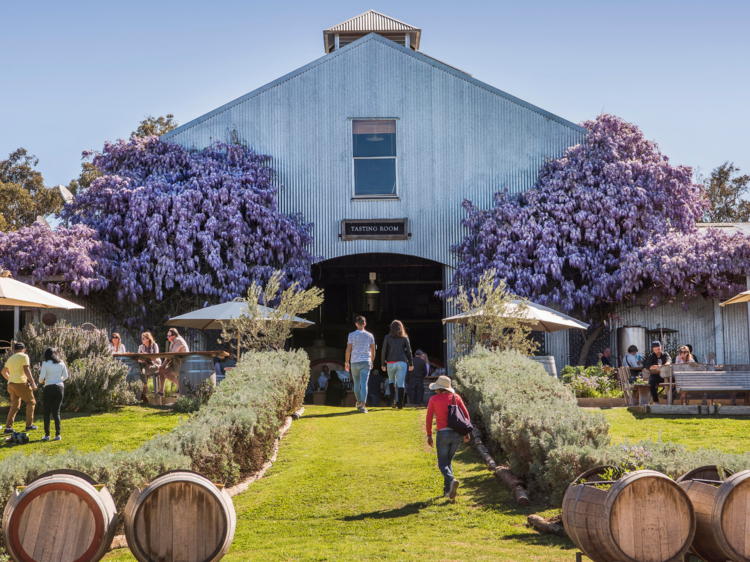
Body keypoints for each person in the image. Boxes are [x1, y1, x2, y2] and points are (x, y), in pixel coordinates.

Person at [425, 375, 471, 501]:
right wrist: (466, 433)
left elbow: (429, 418)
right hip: (456, 433)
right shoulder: (456, 398)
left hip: (442, 433)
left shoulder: (433, 399)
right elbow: (466, 416)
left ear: (438, 387)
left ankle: (452, 480)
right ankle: (447, 491)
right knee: (448, 462)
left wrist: (429, 435)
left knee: (442, 464)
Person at [1, 342, 38, 433]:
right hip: (21, 383)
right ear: (24, 350)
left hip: (11, 385)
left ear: (14, 351)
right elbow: (26, 369)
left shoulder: (10, 358)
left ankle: (8, 427)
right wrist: (33, 383)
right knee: (31, 402)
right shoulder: (24, 356)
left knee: (14, 406)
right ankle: (29, 425)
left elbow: (3, 372)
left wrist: (11, 379)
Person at [345, 316, 376, 414]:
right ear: (365, 324)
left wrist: (346, 362)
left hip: (354, 361)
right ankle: (363, 405)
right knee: (364, 384)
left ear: (356, 324)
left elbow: (348, 350)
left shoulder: (351, 335)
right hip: (366, 361)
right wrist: (372, 361)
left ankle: (358, 401)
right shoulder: (370, 335)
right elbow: (373, 350)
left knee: (356, 384)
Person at [381, 320, 414, 409]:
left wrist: (382, 363)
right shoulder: (404, 338)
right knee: (401, 383)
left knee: (391, 381)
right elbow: (409, 351)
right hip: (402, 362)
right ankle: (400, 404)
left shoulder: (387, 337)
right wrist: (411, 363)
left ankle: (393, 401)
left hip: (390, 362)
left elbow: (384, 351)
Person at [38, 347, 69, 441]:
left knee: (47, 412)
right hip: (59, 387)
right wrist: (59, 380)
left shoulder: (45, 364)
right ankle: (58, 434)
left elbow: (41, 378)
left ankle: (47, 434)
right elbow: (66, 376)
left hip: (49, 387)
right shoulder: (61, 363)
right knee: (56, 412)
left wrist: (43, 381)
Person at [158, 328, 189, 396]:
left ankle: (181, 386)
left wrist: (164, 365)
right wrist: (163, 366)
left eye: (169, 336)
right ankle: (161, 390)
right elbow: (169, 356)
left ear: (174, 336)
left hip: (182, 365)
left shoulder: (178, 340)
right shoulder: (173, 342)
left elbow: (172, 354)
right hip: (175, 364)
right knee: (162, 370)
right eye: (167, 335)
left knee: (167, 374)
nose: (167, 337)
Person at [137, 332, 161, 403]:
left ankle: (144, 388)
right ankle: (142, 390)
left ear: (148, 339)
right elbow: (138, 358)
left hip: (155, 365)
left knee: (142, 371)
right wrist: (143, 360)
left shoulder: (154, 346)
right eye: (141, 339)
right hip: (145, 365)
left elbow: (155, 358)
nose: (142, 340)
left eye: (143, 338)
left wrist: (146, 355)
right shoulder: (141, 347)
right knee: (140, 370)